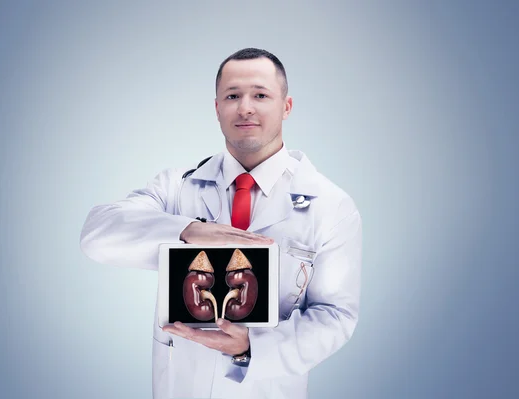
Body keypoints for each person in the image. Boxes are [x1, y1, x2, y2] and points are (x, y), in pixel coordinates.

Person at [79, 47, 362, 399]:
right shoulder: (177, 187)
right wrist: (186, 231)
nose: (245, 107)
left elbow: (335, 316)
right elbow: (97, 233)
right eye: (232, 96)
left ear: (286, 106)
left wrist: (251, 347)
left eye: (260, 95)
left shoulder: (330, 205)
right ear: (217, 108)